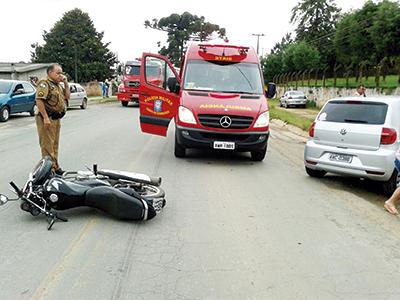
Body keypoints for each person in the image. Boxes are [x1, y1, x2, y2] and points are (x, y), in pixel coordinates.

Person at [35, 63, 70, 175]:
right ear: (50, 73)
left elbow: (67, 97)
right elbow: (39, 100)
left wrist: (65, 83)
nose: (61, 75)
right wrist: (45, 117)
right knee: (47, 145)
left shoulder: (58, 85)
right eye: (58, 73)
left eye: (61, 73)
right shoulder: (45, 83)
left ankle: (55, 166)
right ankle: (48, 170)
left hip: (56, 118)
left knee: (54, 144)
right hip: (47, 118)